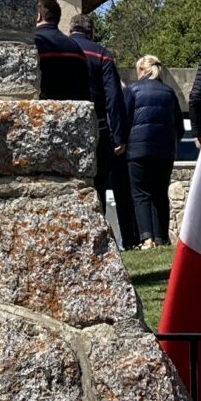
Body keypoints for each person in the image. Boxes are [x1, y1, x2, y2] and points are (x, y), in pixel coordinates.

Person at [69, 13, 138, 250]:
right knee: (96, 184)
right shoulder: (101, 54)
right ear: (91, 32)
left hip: (62, 126)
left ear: (71, 30)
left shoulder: (61, 48)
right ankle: (94, 237)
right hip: (96, 126)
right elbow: (113, 98)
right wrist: (119, 135)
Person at [124, 55, 183, 248]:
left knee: (140, 193)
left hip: (137, 149)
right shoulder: (169, 93)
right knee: (159, 193)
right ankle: (161, 237)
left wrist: (121, 142)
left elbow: (124, 119)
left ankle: (146, 238)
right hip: (164, 151)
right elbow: (179, 126)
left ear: (141, 70)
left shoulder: (133, 90)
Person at [34, 0, 91, 100]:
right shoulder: (76, 49)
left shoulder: (33, 45)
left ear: (38, 16)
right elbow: (85, 91)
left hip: (37, 112)